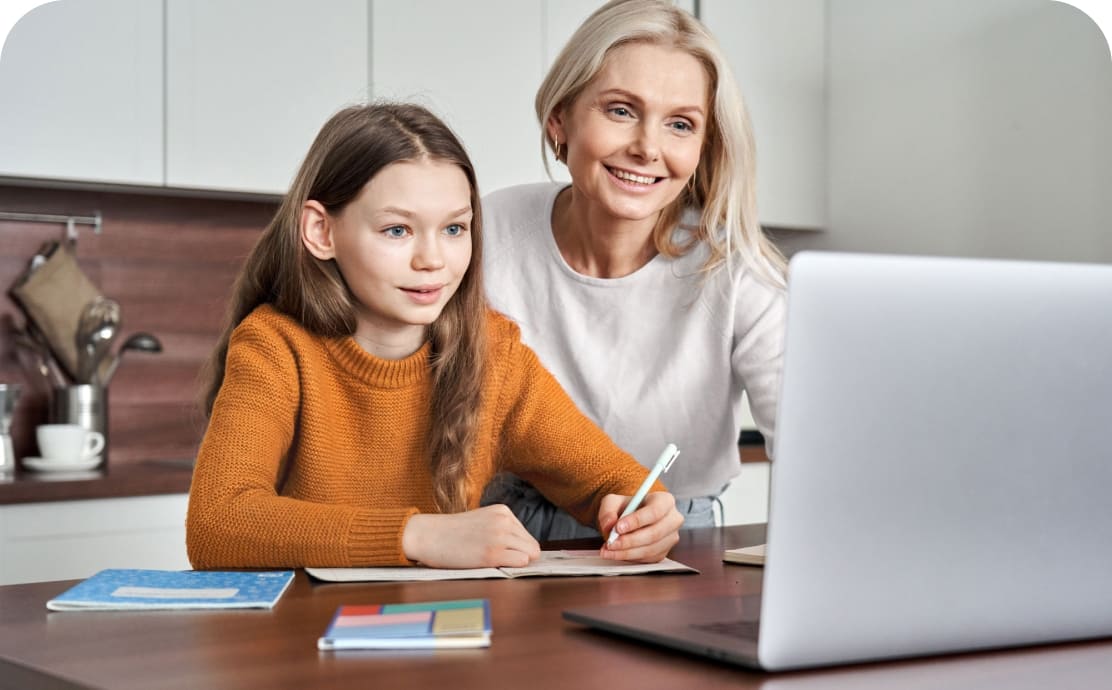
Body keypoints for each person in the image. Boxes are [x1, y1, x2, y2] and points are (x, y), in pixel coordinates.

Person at [186, 102, 683, 570]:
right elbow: (218, 524)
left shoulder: (493, 354)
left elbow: (610, 479)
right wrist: (420, 536)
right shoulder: (275, 347)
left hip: (444, 636)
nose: (433, 260)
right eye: (397, 231)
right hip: (305, 642)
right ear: (321, 231)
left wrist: (648, 511)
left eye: (454, 229)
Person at [481, 0, 787, 539]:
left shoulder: (738, 269)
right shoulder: (489, 231)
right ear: (560, 119)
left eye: (680, 124)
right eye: (621, 110)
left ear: (701, 147)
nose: (648, 148)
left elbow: (805, 441)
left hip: (685, 536)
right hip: (504, 528)